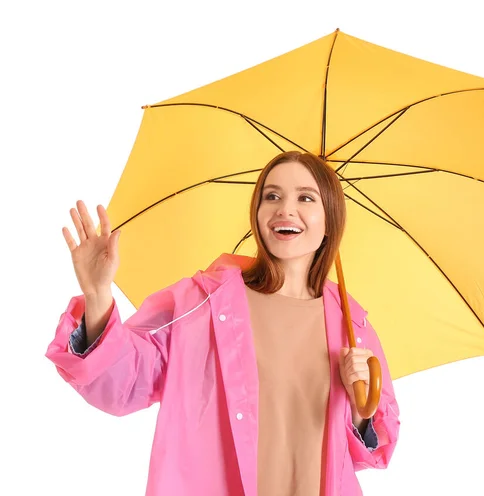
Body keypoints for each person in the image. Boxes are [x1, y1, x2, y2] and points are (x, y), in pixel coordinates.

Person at [46, 151, 400, 496]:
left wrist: (359, 412)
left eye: (305, 198)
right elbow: (126, 381)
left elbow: (374, 447)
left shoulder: (351, 325)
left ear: (330, 220)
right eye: (271, 195)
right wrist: (98, 294)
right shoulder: (206, 301)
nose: (284, 209)